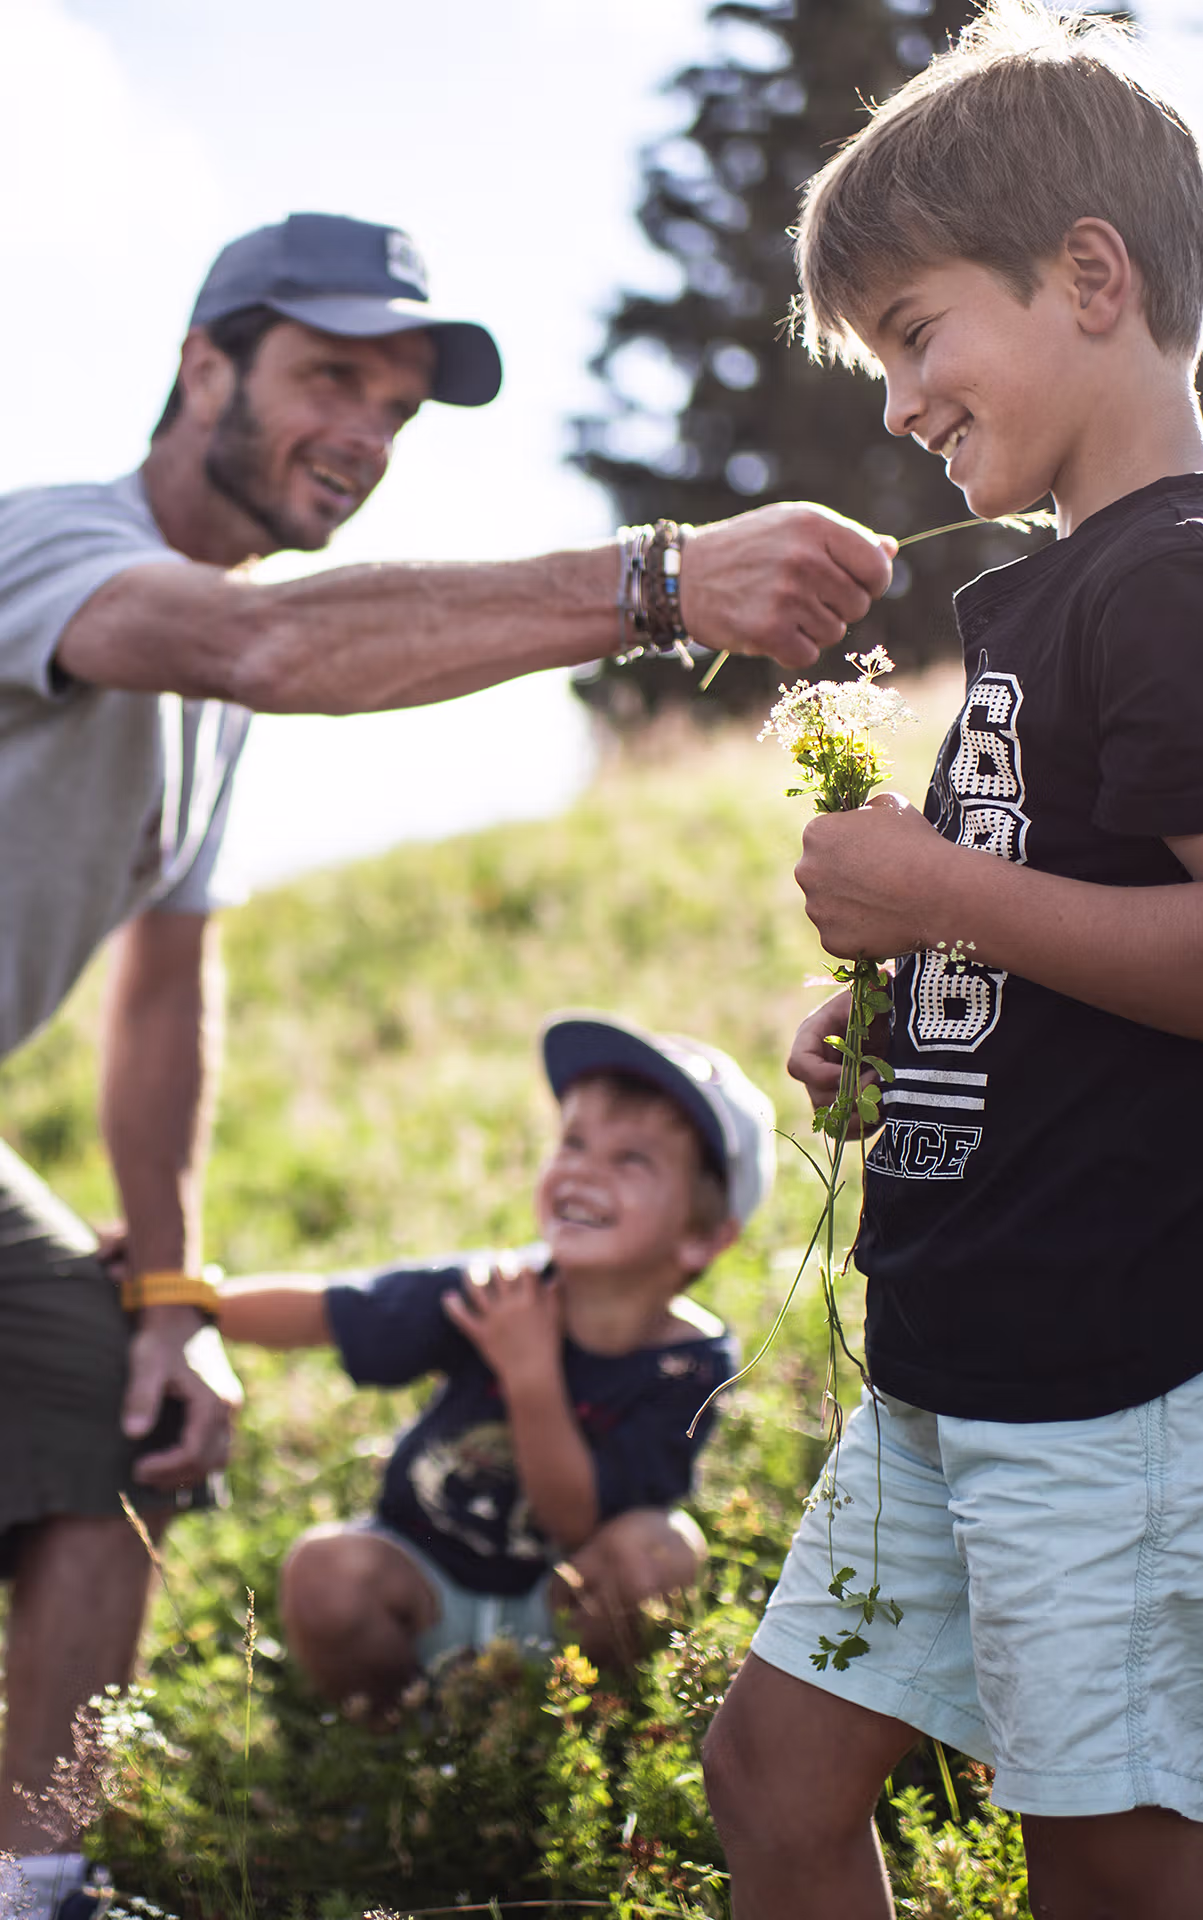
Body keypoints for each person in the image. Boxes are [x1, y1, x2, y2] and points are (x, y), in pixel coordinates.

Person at [0, 207, 894, 1916]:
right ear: (205, 367)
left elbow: (169, 989)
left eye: (399, 409)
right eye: (328, 377)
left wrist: (177, 1284)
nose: (362, 435)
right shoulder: (62, 548)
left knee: (102, 1384)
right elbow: (269, 641)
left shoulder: (206, 711)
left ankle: (34, 1884)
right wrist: (661, 582)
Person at [700, 6, 1203, 1918]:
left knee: (1106, 1872)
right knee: (775, 1776)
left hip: (1124, 1369)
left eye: (917, 333)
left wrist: (941, 896)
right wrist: (915, 1032)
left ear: (1089, 278)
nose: (893, 403)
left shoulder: (1188, 578)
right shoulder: (1059, 592)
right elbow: (1074, 935)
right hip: (962, 1357)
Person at [215, 1011, 773, 1701]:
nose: (583, 1172)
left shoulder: (691, 1369)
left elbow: (576, 1523)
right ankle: (400, 1737)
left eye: (630, 1159)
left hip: (563, 1609)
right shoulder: (498, 1291)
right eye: (572, 1143)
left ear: (700, 1238)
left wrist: (529, 1372)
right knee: (321, 1572)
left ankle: (571, 1723)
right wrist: (192, 1301)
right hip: (423, 1582)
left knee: (662, 1550)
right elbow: (331, 1310)